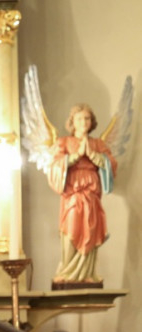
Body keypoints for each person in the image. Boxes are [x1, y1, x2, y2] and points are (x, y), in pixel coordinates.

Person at [47, 104, 117, 288]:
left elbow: (111, 164)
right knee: (71, 230)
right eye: (79, 119)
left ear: (92, 122)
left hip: (92, 195)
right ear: (72, 122)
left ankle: (87, 273)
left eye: (87, 118)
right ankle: (67, 271)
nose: (83, 122)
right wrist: (76, 156)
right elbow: (54, 165)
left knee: (91, 230)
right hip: (73, 195)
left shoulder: (98, 144)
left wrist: (92, 155)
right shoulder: (64, 142)